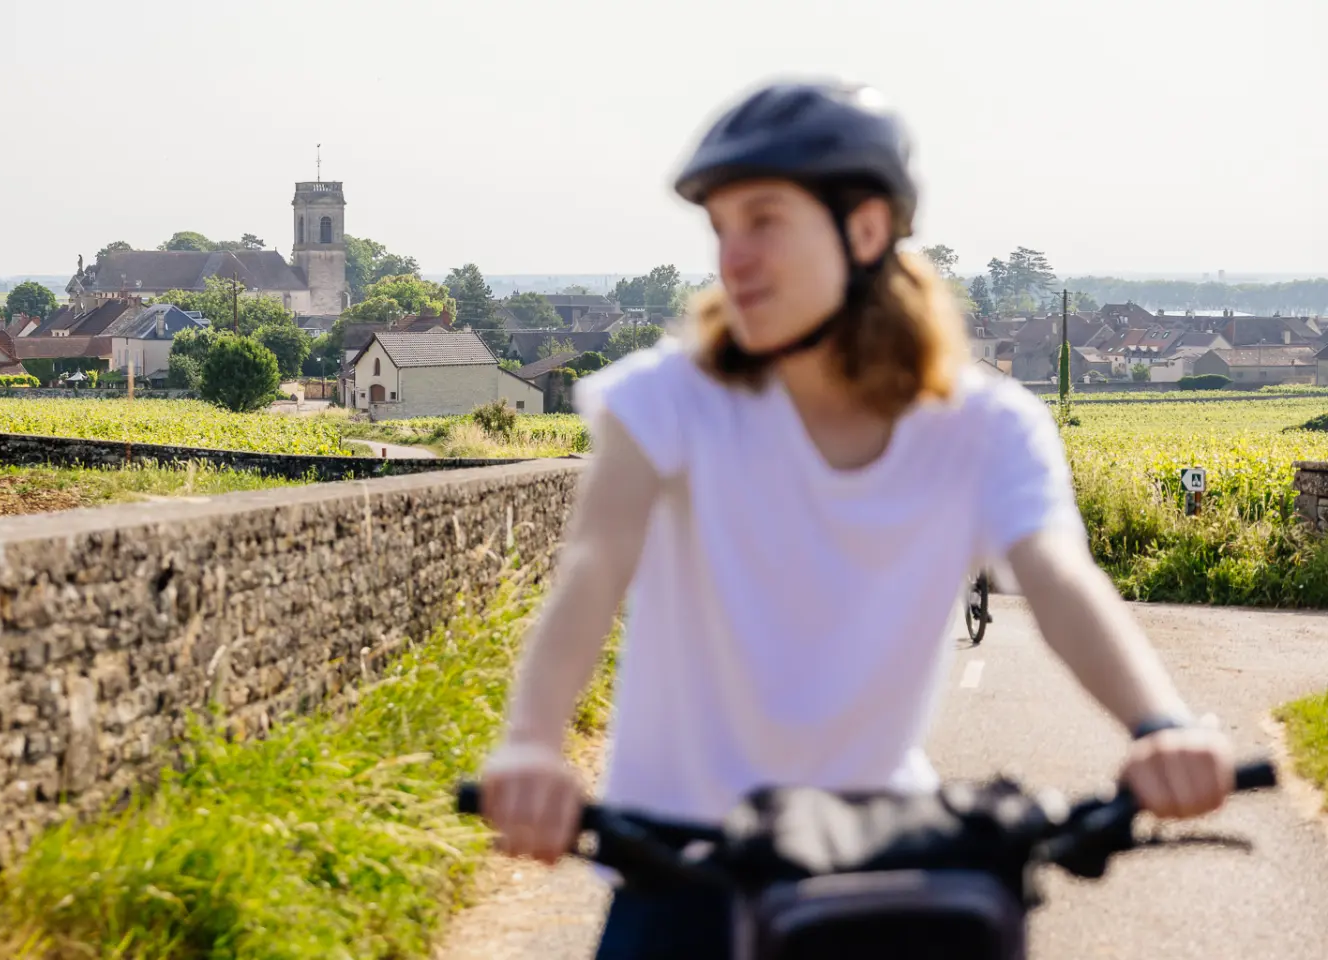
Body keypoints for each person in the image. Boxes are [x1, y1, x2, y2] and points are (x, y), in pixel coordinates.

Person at [475, 79, 1234, 958]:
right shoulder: (670, 402)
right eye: (720, 229)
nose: (733, 258)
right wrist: (531, 745)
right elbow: (591, 573)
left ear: (866, 229)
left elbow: (1060, 579)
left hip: (873, 868)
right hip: (680, 875)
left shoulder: (984, 428)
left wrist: (1161, 726)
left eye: (763, 221)